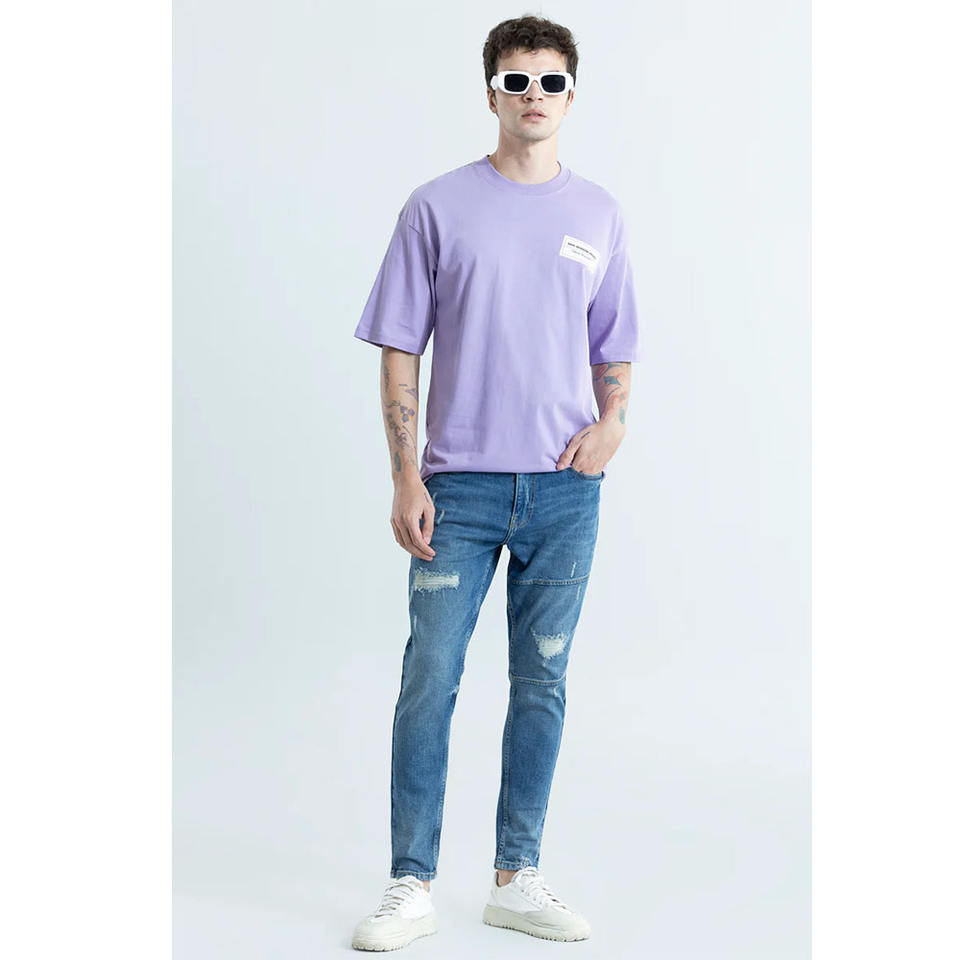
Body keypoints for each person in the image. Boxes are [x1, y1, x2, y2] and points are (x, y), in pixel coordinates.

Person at [349, 15, 640, 952]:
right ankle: (410, 882)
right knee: (430, 677)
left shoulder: (598, 213)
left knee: (541, 681)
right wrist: (405, 475)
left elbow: (613, 344)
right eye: (516, 81)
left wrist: (613, 425)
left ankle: (517, 877)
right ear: (490, 94)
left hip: (564, 490)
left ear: (571, 96)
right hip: (459, 490)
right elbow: (400, 347)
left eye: (550, 82)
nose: (533, 97)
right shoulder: (436, 207)